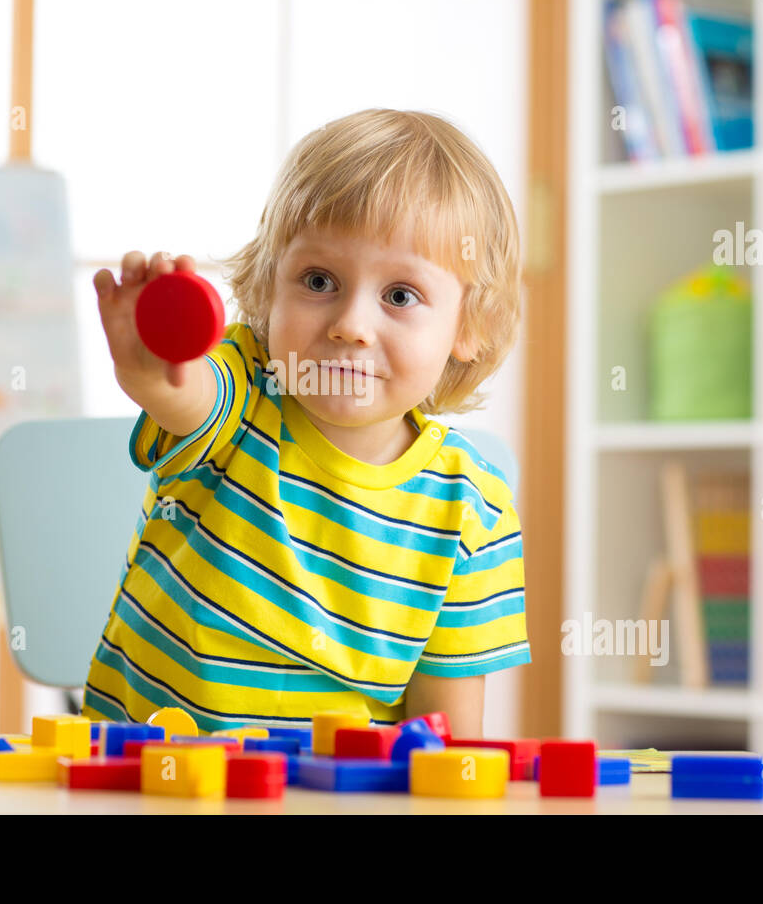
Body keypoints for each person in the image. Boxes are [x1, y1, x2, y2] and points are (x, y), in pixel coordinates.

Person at [87, 108, 527, 738]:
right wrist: (156, 373)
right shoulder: (243, 392)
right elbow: (187, 397)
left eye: (400, 295)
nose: (351, 323)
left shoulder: (472, 508)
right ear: (268, 291)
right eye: (319, 280)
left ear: (470, 327)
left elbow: (445, 738)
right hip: (157, 784)